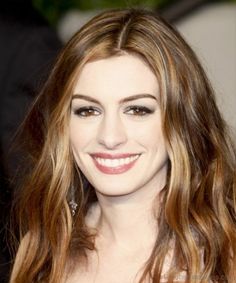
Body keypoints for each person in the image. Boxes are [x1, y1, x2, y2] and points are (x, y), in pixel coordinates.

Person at [9, 8, 236, 283]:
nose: (110, 136)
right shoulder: (42, 250)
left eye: (137, 110)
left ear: (182, 119)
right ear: (62, 123)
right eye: (88, 110)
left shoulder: (223, 259)